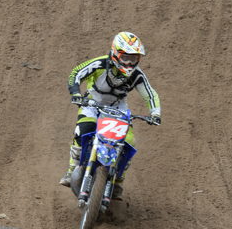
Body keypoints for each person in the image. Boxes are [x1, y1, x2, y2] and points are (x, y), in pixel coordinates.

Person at [60, 32, 161, 198]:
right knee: (83, 129)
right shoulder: (100, 64)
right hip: (93, 102)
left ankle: (118, 180)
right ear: (115, 53)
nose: (130, 63)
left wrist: (155, 113)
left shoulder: (136, 75)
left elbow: (150, 93)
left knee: (129, 141)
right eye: (126, 58)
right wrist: (76, 92)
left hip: (118, 108)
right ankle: (72, 170)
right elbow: (76, 72)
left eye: (134, 58)